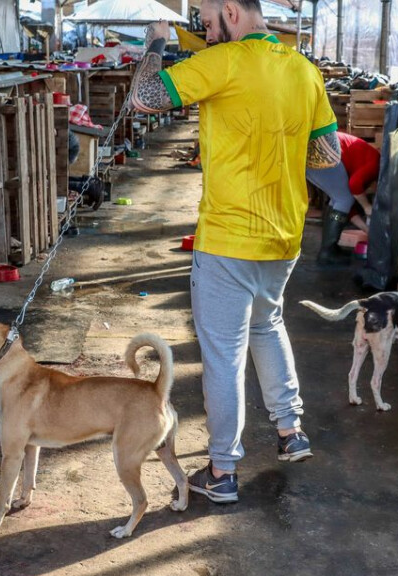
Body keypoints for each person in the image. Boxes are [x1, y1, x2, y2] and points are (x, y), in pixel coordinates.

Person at [130, 1, 341, 503]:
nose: (203, 28)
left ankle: (222, 471)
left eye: (205, 18)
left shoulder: (222, 63)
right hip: (284, 236)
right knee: (267, 326)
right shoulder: (304, 71)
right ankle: (291, 432)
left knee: (223, 355)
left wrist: (157, 40)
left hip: (228, 238)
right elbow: (326, 154)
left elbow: (144, 96)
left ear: (231, 10)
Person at [305, 131, 380, 264]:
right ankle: (327, 254)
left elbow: (346, 206)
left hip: (314, 149)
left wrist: (367, 230)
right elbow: (354, 185)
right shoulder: (376, 164)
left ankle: (329, 249)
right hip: (322, 149)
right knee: (343, 198)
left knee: (339, 199)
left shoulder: (362, 166)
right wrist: (367, 206)